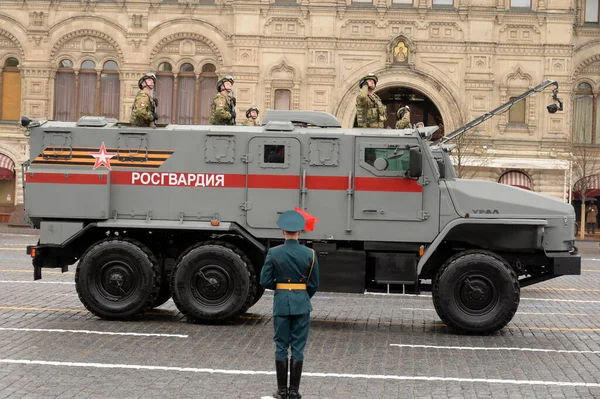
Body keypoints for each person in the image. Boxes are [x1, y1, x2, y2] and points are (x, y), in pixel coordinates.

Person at [260, 210, 319, 399]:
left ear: (283, 232)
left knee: (281, 346)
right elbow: (314, 284)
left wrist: (281, 290)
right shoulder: (310, 253)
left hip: (281, 304)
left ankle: (281, 391)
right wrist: (301, 295)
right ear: (299, 233)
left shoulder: (274, 252)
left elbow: (265, 280)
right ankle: (294, 391)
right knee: (298, 347)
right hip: (302, 303)